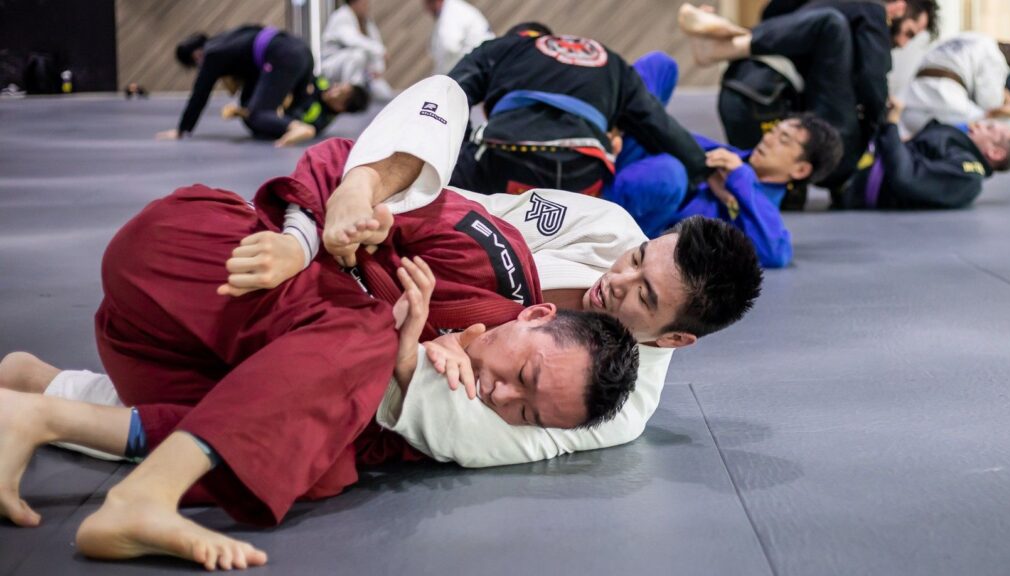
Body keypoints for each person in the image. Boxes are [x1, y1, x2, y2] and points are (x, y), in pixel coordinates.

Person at [0, 76, 640, 570]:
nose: (503, 395)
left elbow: (319, 424)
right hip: (207, 256)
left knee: (326, 456)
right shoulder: (485, 253)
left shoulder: (461, 410)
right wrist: (308, 242)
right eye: (523, 375)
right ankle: (142, 497)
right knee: (364, 336)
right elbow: (342, 161)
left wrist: (409, 364)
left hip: (162, 354)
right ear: (534, 313)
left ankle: (41, 400)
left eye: (524, 412)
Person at [15, 76, 765, 472]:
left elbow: (479, 434)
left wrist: (412, 358)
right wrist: (370, 202)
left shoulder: (618, 406)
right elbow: (469, 209)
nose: (615, 278)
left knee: (313, 434)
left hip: (383, 367)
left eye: (643, 297)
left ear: (678, 338)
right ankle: (337, 205)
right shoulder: (610, 231)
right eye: (638, 261)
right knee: (432, 117)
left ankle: (51, 392)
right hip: (373, 260)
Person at [602, 51, 843, 267]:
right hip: (626, 158)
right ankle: (598, 129)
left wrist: (740, 178)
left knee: (670, 173)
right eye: (774, 131)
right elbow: (671, 138)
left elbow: (777, 254)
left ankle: (589, 191)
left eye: (784, 140)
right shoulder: (729, 156)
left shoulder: (760, 206)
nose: (768, 139)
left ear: (800, 169)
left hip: (636, 206)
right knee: (661, 65)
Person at [683, 0, 938, 203]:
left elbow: (771, 12)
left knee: (831, 22)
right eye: (909, 33)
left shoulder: (813, 12)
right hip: (837, 147)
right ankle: (725, 42)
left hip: (742, 97)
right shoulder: (871, 12)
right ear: (898, 7)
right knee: (832, 24)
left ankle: (729, 40)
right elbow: (873, 82)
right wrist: (884, 122)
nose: (903, 44)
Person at [448, 22, 710, 198]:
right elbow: (655, 120)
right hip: (583, 176)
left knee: (438, 171)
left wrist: (463, 150)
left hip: (505, 160)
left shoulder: (504, 47)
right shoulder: (610, 59)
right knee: (669, 174)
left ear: (521, 38)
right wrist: (702, 168)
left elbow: (448, 91)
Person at [156, 26, 369, 147]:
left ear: (197, 56)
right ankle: (287, 122)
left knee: (258, 114)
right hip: (302, 53)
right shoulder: (229, 38)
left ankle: (295, 127)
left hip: (283, 56)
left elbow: (200, 93)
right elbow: (253, 77)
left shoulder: (211, 55)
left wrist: (183, 129)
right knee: (251, 110)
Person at [833, 98, 1010, 209]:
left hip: (856, 180)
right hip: (859, 163)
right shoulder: (959, 147)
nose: (979, 124)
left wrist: (892, 124)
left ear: (995, 152)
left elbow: (906, 177)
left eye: (988, 128)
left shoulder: (968, 174)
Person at [901, 33, 1010, 139]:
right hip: (946, 98)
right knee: (1002, 129)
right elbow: (990, 105)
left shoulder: (975, 37)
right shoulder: (996, 58)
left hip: (912, 93)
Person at [320, 0, 393, 101]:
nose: (367, 6)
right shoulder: (341, 16)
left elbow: (375, 43)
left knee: (385, 94)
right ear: (355, 2)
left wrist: (378, 69)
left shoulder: (366, 22)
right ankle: (349, 94)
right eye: (364, 3)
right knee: (358, 55)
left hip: (363, 73)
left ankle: (358, 91)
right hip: (332, 67)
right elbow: (353, 40)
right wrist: (381, 50)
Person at [424, 0, 494, 75]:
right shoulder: (452, 9)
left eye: (428, 4)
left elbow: (449, 46)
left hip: (480, 64)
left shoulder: (450, 13)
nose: (427, 9)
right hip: (483, 59)